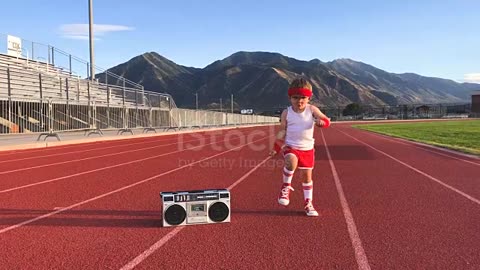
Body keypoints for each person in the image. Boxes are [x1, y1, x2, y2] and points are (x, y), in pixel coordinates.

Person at [269, 77, 331, 216]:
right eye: (295, 97)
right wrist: (276, 147)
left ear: (309, 98)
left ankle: (308, 204)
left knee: (306, 178)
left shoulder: (312, 109)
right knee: (291, 162)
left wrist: (322, 123)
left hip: (307, 149)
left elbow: (327, 120)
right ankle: (285, 187)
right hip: (291, 146)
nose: (299, 101)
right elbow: (282, 131)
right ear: (290, 98)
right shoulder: (287, 112)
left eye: (303, 97)